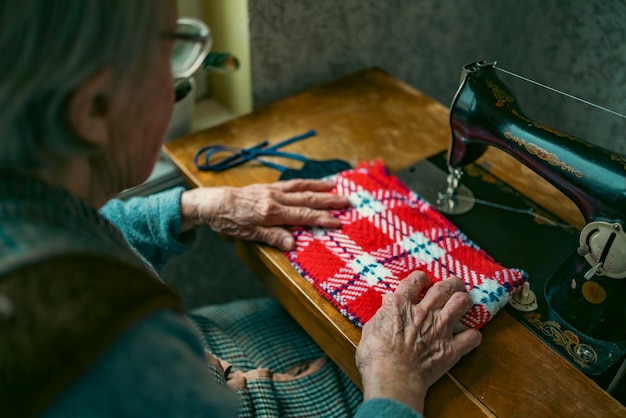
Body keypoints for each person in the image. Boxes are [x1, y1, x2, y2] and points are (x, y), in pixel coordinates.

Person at [0, 1, 482, 417]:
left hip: (208, 353)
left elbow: (88, 229)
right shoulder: (102, 353)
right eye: (166, 54)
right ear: (94, 111)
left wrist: (195, 205)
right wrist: (394, 382)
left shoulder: (25, 200)